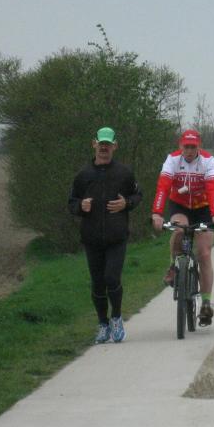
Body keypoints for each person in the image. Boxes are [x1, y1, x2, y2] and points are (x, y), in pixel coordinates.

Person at [68, 127, 142, 343]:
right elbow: (71, 202)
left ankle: (116, 318)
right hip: (91, 238)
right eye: (101, 144)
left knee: (112, 277)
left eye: (108, 144)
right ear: (94, 144)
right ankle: (103, 323)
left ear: (114, 146)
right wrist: (81, 206)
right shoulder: (83, 175)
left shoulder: (124, 173)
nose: (104, 148)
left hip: (116, 236)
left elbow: (138, 195)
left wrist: (126, 203)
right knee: (98, 283)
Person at [151, 129, 214, 326]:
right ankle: (174, 267)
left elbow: (213, 188)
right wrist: (157, 213)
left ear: (199, 146)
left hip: (203, 209)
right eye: (187, 147)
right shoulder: (172, 160)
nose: (190, 151)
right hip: (180, 206)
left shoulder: (208, 161)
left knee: (204, 253)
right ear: (180, 146)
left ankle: (206, 303)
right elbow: (163, 186)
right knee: (178, 230)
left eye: (193, 147)